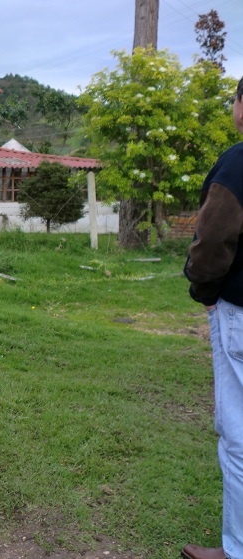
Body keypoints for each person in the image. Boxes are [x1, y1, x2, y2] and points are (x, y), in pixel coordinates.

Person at [184, 75, 243, 559]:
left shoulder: (238, 163)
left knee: (238, 433)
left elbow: (213, 237)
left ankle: (238, 548)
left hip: (240, 310)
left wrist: (203, 290)